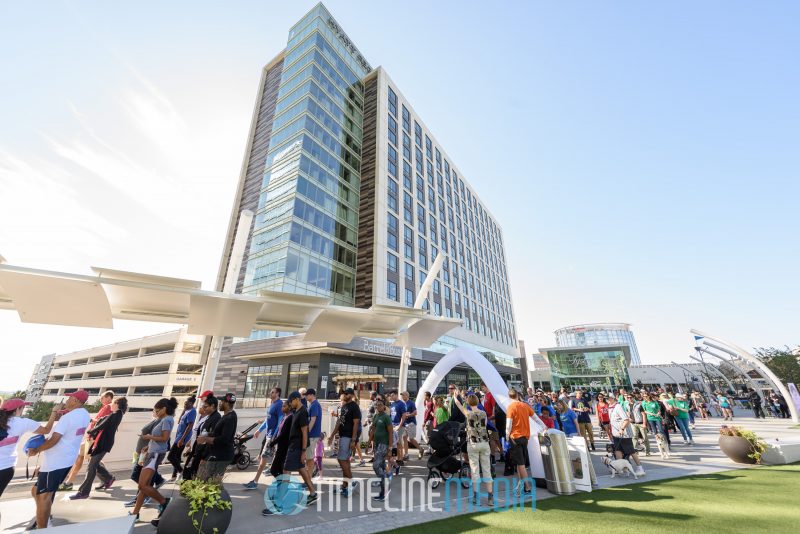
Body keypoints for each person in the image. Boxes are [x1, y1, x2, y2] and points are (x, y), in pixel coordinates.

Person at [27, 390, 91, 529]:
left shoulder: (67, 418)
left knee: (44, 496)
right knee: (37, 491)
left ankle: (42, 528)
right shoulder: (85, 415)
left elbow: (54, 440)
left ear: (76, 401)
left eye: (69, 399)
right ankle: (44, 517)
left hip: (56, 462)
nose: (66, 401)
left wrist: (36, 450)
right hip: (66, 460)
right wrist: (58, 412)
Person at [130, 397, 178, 523]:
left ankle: (164, 501)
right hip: (153, 452)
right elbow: (160, 439)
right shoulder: (165, 419)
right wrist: (148, 445)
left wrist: (148, 437)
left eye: (157, 409)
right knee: (144, 486)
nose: (156, 412)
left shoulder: (167, 419)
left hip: (155, 455)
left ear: (164, 409)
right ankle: (135, 513)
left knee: (142, 485)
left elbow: (165, 438)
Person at [71, 397, 128, 499]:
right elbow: (103, 420)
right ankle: (108, 478)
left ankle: (84, 492)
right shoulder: (117, 414)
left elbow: (103, 424)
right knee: (93, 464)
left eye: (113, 403)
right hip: (101, 443)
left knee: (91, 467)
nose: (111, 405)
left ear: (117, 404)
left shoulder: (116, 414)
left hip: (102, 444)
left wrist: (91, 431)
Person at [0, 398, 58, 497]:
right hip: (6, 467)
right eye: (23, 408)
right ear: (17, 409)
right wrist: (54, 412)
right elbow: (46, 430)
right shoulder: (24, 422)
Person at [59, 390, 114, 491]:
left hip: (94, 437)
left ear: (109, 397)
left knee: (88, 460)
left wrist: (92, 423)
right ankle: (107, 478)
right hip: (94, 437)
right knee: (90, 460)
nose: (101, 400)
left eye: (102, 398)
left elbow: (102, 421)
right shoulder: (109, 408)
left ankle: (70, 482)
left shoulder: (108, 407)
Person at [452, 389, 493, 506]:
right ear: (478, 401)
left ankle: (476, 497)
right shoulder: (484, 413)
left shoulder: (468, 413)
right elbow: (484, 425)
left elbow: (458, 404)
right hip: (484, 443)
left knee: (475, 471)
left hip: (473, 444)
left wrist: (456, 396)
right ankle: (490, 497)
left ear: (469, 403)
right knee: (486, 470)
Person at [282, 391, 318, 506]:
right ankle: (313, 493)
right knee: (302, 470)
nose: (290, 404)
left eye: (291, 401)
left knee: (286, 471)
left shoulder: (302, 412)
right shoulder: (296, 411)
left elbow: (305, 433)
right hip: (294, 446)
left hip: (296, 448)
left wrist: (303, 452)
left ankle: (280, 501)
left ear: (297, 399)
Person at [506, 389, 543, 496]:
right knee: (519, 463)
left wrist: (507, 436)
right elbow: (535, 418)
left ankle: (527, 487)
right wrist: (544, 426)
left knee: (521, 464)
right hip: (525, 438)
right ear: (517, 395)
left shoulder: (511, 407)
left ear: (509, 397)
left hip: (515, 438)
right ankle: (521, 485)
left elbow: (508, 425)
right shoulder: (525, 405)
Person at [244, 388, 283, 490]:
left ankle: (255, 481)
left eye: (273, 392)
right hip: (270, 435)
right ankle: (279, 481)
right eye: (271, 392)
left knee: (263, 459)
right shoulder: (271, 405)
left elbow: (280, 421)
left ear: (278, 393)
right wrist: (259, 430)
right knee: (272, 459)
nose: (270, 393)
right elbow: (267, 419)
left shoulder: (279, 405)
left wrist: (274, 436)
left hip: (273, 437)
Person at [261, 402, 293, 517]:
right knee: (276, 471)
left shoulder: (290, 418)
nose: (282, 407)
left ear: (289, 407)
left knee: (275, 470)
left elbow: (284, 434)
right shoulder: (285, 417)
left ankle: (278, 504)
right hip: (281, 448)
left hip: (284, 449)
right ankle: (281, 494)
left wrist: (273, 442)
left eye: (284, 406)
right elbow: (279, 431)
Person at [196, 393, 237, 481]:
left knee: (212, 484)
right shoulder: (227, 416)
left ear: (226, 403)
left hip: (221, 457)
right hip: (217, 455)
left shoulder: (229, 418)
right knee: (209, 482)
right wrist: (208, 434)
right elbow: (219, 434)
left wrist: (205, 439)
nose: (220, 403)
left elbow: (224, 439)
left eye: (222, 401)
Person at [328, 388, 361, 497]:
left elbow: (356, 424)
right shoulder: (344, 406)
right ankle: (345, 486)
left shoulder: (355, 407)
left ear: (351, 395)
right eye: (344, 393)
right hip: (343, 436)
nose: (344, 395)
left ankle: (351, 482)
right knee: (345, 462)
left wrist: (353, 440)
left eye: (346, 393)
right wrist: (332, 435)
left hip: (348, 437)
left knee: (341, 459)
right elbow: (339, 421)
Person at [183, 395, 220, 482]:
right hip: (198, 450)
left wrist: (204, 457)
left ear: (213, 406)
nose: (204, 408)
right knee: (190, 472)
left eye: (205, 406)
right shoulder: (209, 416)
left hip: (204, 453)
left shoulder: (216, 418)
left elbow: (212, 438)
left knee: (195, 476)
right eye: (203, 406)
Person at [608, 396, 645, 476]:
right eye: (606, 399)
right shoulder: (610, 408)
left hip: (624, 434)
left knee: (631, 451)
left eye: (609, 398)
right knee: (617, 450)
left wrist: (622, 429)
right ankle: (619, 468)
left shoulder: (618, 407)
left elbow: (626, 420)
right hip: (615, 434)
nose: (608, 400)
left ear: (613, 399)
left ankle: (640, 468)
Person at [368, 396, 393, 502]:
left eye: (380, 405)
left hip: (384, 444)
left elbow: (391, 433)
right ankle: (385, 479)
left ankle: (384, 490)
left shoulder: (386, 417)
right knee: (381, 465)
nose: (378, 406)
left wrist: (390, 447)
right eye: (377, 405)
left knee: (376, 465)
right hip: (377, 444)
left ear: (384, 407)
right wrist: (369, 443)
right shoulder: (376, 416)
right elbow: (373, 430)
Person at [167, 396, 196, 481]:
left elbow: (190, 426)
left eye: (186, 403)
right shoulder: (187, 410)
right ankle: (174, 475)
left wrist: (182, 439)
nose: (184, 404)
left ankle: (182, 472)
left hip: (182, 438)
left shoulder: (192, 411)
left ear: (191, 403)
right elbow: (181, 420)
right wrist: (182, 413)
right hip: (179, 436)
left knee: (171, 457)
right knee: (177, 456)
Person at [304, 389, 323, 475]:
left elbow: (313, 420)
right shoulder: (313, 404)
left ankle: (308, 479)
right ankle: (308, 478)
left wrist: (307, 433)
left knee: (309, 458)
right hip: (313, 434)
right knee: (309, 457)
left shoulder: (314, 405)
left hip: (312, 435)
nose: (305, 396)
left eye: (307, 395)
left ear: (311, 395)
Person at [400, 391, 422, 459]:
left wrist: (409, 415)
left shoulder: (411, 403)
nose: (402, 397)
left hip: (411, 423)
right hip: (404, 424)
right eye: (402, 395)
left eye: (404, 395)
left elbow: (415, 413)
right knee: (404, 438)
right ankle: (406, 454)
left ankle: (420, 449)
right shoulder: (402, 404)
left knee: (411, 439)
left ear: (407, 396)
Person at [388, 390, 407, 461]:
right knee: (394, 443)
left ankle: (400, 459)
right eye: (390, 395)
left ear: (396, 395)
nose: (391, 397)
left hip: (399, 426)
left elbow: (404, 415)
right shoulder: (392, 404)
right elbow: (390, 415)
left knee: (399, 442)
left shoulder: (401, 404)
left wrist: (399, 425)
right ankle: (395, 458)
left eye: (392, 395)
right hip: (392, 425)